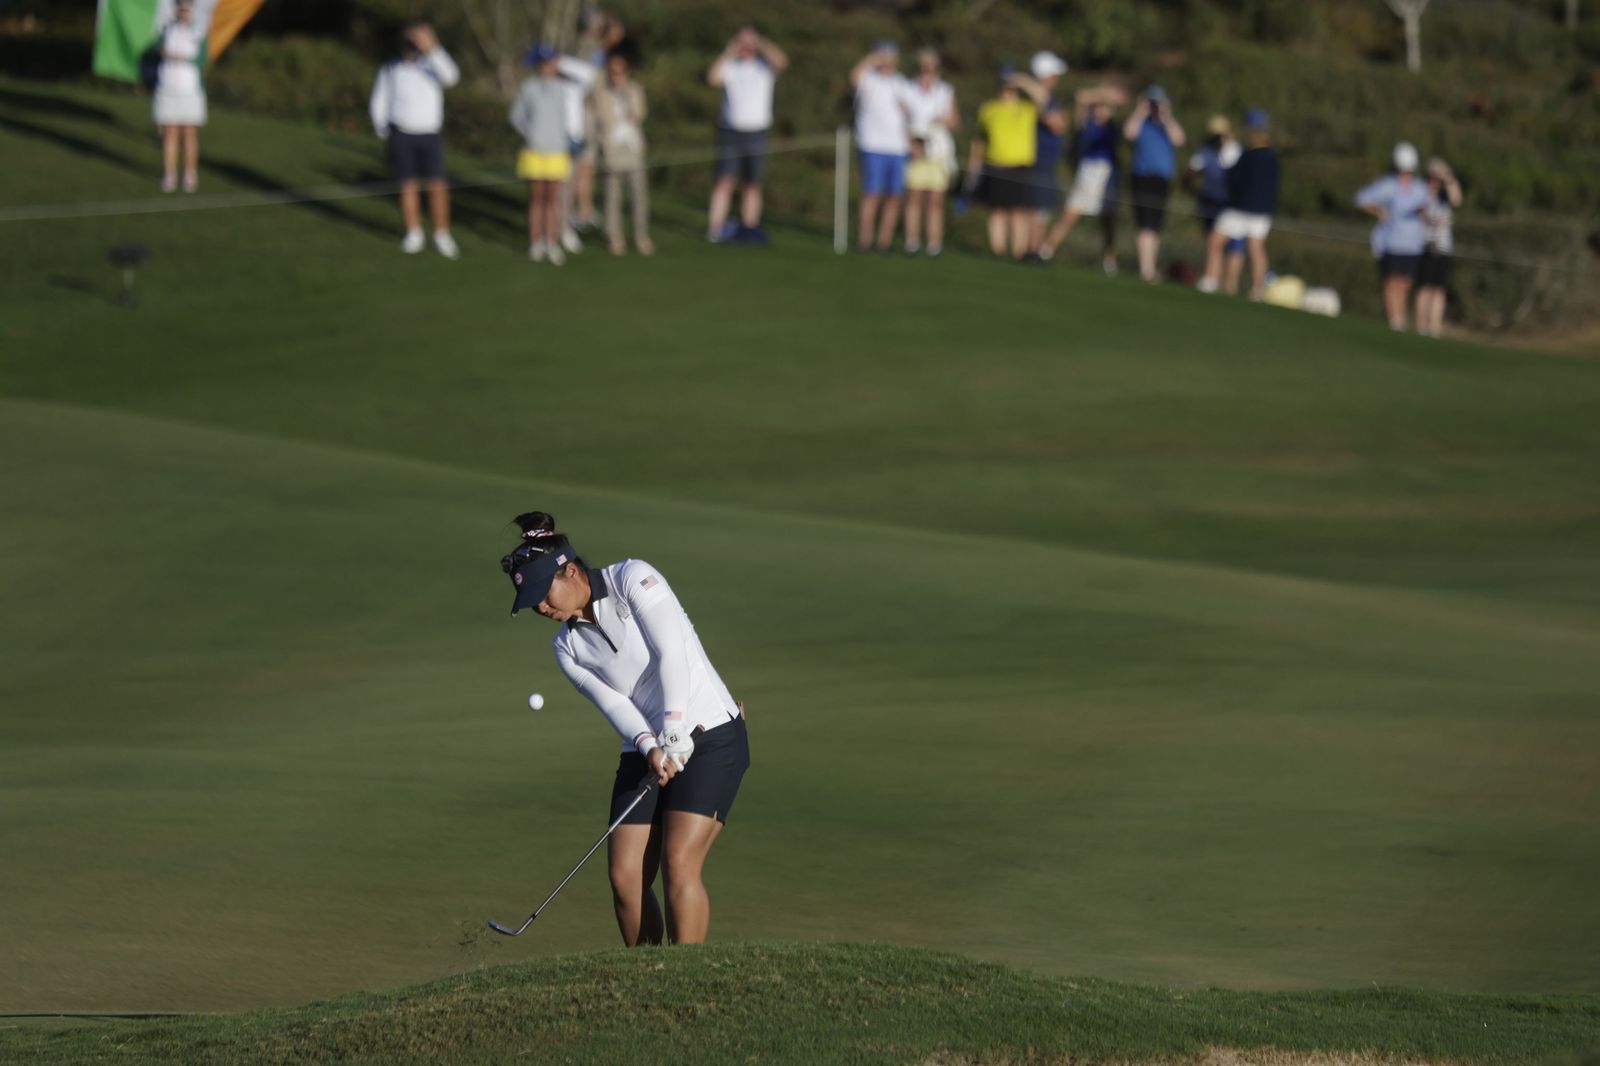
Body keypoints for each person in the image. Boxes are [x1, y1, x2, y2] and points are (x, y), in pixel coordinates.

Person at [500, 511, 751, 947]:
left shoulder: (634, 579)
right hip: (648, 748)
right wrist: (653, 748)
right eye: (533, 602)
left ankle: (685, 979)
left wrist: (673, 731)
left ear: (571, 571)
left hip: (709, 732)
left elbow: (671, 652)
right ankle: (645, 977)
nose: (542, 607)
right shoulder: (566, 647)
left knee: (678, 863)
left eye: (544, 593)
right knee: (625, 877)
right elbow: (614, 703)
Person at [370, 21, 461, 258]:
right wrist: (383, 130)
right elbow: (379, 101)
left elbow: (452, 76)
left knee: (437, 186)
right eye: (410, 42)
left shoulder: (432, 65)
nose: (412, 46)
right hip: (401, 134)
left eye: (416, 42)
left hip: (429, 134)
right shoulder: (391, 68)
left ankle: (442, 234)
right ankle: (414, 233)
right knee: (407, 186)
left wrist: (432, 47)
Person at [707, 27, 789, 244]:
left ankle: (749, 227)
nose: (746, 46)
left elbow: (782, 62)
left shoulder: (764, 67)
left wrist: (760, 44)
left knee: (752, 183)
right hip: (730, 132)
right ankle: (715, 229)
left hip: (757, 133)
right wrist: (729, 51)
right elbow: (713, 78)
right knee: (724, 181)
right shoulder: (731, 66)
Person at [966, 64, 1049, 260]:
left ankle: (1018, 253)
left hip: (1020, 165)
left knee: (1018, 211)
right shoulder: (989, 109)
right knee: (996, 211)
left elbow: (1043, 97)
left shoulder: (1026, 108)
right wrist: (973, 167)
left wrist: (1022, 80)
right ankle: (998, 252)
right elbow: (979, 140)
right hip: (995, 164)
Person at [1040, 85, 1126, 273]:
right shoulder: (1087, 123)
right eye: (1098, 106)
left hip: (1107, 173)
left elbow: (1121, 98)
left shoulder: (1112, 125)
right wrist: (1101, 95)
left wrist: (1103, 97)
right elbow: (1081, 97)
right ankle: (1046, 250)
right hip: (1088, 172)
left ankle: (1109, 260)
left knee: (1108, 219)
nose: (1101, 109)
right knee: (1070, 213)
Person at [1198, 108, 1279, 299]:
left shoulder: (1248, 156)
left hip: (1240, 209)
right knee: (1255, 249)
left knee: (1216, 241)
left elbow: (1232, 179)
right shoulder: (1272, 158)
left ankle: (1210, 281)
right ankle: (1257, 290)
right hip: (1261, 211)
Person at [1356, 142, 1432, 329]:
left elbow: (1429, 208)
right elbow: (1361, 199)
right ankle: (1395, 322)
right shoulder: (1388, 185)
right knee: (1392, 281)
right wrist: (1378, 211)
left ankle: (1400, 319)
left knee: (1405, 282)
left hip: (1413, 243)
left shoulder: (1420, 188)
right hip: (1392, 242)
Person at [510, 45, 573, 265]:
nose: (550, 66)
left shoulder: (561, 88)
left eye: (553, 62)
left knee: (552, 199)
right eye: (547, 63)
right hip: (535, 150)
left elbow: (566, 118)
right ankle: (536, 242)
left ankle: (551, 242)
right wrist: (531, 133)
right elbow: (516, 116)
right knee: (537, 198)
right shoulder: (529, 87)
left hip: (557, 150)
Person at [589, 50, 653, 256]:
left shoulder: (634, 89)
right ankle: (614, 236)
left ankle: (640, 235)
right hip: (611, 149)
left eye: (620, 71)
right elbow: (602, 118)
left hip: (633, 148)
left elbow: (639, 113)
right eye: (612, 71)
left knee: (638, 195)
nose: (616, 76)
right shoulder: (600, 93)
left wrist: (626, 101)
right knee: (612, 196)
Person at [569, 10, 627, 235]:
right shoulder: (587, 47)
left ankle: (585, 209)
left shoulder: (598, 48)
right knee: (584, 164)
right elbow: (616, 32)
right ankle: (580, 212)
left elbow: (617, 34)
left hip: (594, 110)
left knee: (589, 165)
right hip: (585, 111)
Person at [850, 41, 910, 253]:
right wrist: (873, 58)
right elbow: (855, 76)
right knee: (872, 193)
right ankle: (864, 240)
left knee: (894, 197)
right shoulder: (868, 78)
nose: (887, 61)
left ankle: (884, 242)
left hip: (898, 148)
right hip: (872, 144)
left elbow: (910, 112)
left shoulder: (901, 82)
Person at [1122, 85, 1186, 282]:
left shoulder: (1166, 125)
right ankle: (1146, 269)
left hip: (1162, 178)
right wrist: (1140, 111)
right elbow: (1129, 133)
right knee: (1144, 224)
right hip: (1142, 176)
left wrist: (1166, 115)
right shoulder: (1142, 122)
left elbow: (1179, 139)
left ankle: (1149, 268)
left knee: (1155, 226)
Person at [900, 48, 959, 257]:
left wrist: (943, 120)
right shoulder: (906, 87)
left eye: (931, 67)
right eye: (924, 66)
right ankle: (912, 242)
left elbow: (954, 122)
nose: (927, 70)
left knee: (935, 199)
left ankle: (934, 244)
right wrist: (910, 142)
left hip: (937, 148)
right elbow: (900, 117)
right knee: (914, 196)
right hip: (914, 145)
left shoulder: (945, 90)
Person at [153, 0, 207, 195]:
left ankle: (191, 175)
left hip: (189, 90)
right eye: (181, 8)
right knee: (170, 133)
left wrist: (183, 57)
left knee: (189, 133)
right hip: (168, 88)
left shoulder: (197, 33)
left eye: (187, 9)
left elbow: (202, 59)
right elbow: (156, 50)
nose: (184, 13)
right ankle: (170, 174)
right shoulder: (166, 31)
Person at [1025, 50, 1070, 258]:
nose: (1056, 79)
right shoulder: (1038, 97)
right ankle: (1032, 250)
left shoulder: (1047, 97)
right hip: (1039, 159)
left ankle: (1036, 249)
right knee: (1036, 206)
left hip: (1047, 160)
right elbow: (1058, 124)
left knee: (1042, 207)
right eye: (1053, 75)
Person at [1415, 158, 1462, 338]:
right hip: (1425, 245)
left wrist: (1448, 176)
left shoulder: (1445, 197)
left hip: (1442, 247)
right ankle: (1421, 328)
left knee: (1439, 289)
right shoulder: (1421, 192)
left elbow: (1457, 199)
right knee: (1425, 288)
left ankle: (1435, 329)